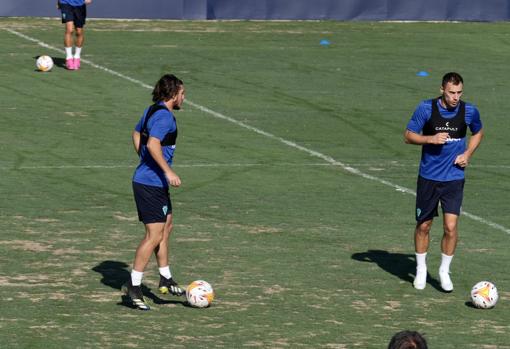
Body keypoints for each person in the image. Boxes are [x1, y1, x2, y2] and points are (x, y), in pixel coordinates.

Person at [405, 72, 483, 291]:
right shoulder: (426, 108)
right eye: (451, 93)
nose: (455, 97)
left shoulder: (469, 111)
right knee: (424, 225)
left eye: (459, 93)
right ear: (442, 90)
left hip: (454, 177)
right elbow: (408, 135)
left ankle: (443, 271)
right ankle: (421, 269)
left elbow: (478, 132)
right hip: (429, 177)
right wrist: (430, 138)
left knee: (451, 227)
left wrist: (467, 154)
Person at [123, 74, 186, 310]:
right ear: (173, 94)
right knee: (154, 235)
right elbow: (152, 144)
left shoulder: (152, 111)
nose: (184, 98)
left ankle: (165, 277)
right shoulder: (164, 118)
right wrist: (167, 171)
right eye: (182, 93)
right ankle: (134, 286)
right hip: (150, 184)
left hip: (152, 181)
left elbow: (137, 133)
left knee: (166, 226)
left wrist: (145, 160)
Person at [57, 0, 92, 70]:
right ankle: (69, 58)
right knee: (69, 29)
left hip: (80, 5)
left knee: (79, 32)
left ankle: (77, 57)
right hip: (65, 3)